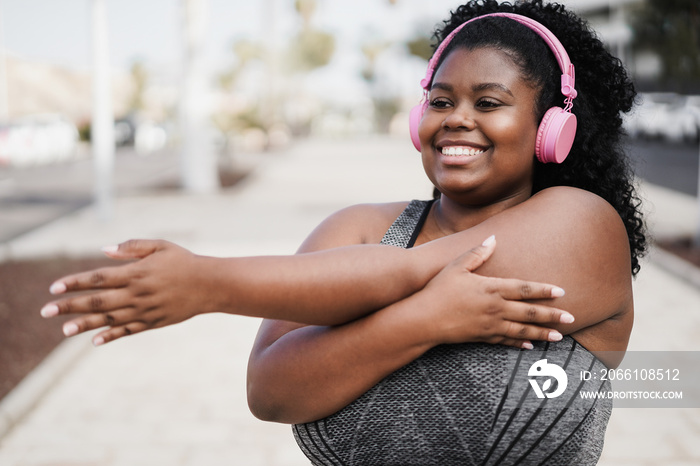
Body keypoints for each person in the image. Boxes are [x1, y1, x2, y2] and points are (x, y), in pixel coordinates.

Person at [41, 0, 646, 464]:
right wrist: (426, 321)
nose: (457, 117)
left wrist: (211, 284)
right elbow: (271, 392)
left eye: (489, 102)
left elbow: (411, 270)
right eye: (440, 101)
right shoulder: (356, 227)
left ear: (553, 129)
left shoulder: (584, 225)